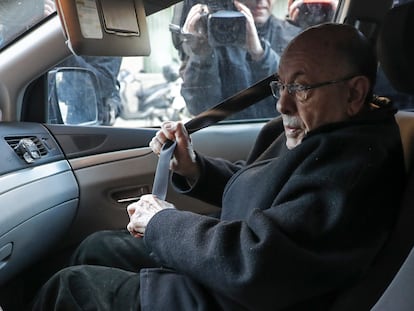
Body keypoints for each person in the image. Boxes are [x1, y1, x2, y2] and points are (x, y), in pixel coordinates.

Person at [30, 23, 406, 311]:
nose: (282, 106)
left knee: (72, 287)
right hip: (225, 273)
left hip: (233, 297)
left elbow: (257, 265)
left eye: (302, 88)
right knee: (97, 247)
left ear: (355, 93)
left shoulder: (354, 168)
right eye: (281, 86)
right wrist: (194, 168)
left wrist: (162, 222)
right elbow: (262, 186)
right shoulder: (321, 130)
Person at [174, 0, 301, 119]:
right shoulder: (209, 36)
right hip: (226, 135)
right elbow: (199, 107)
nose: (261, 0)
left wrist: (259, 52)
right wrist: (202, 56)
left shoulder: (292, 36)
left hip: (277, 131)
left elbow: (298, 98)